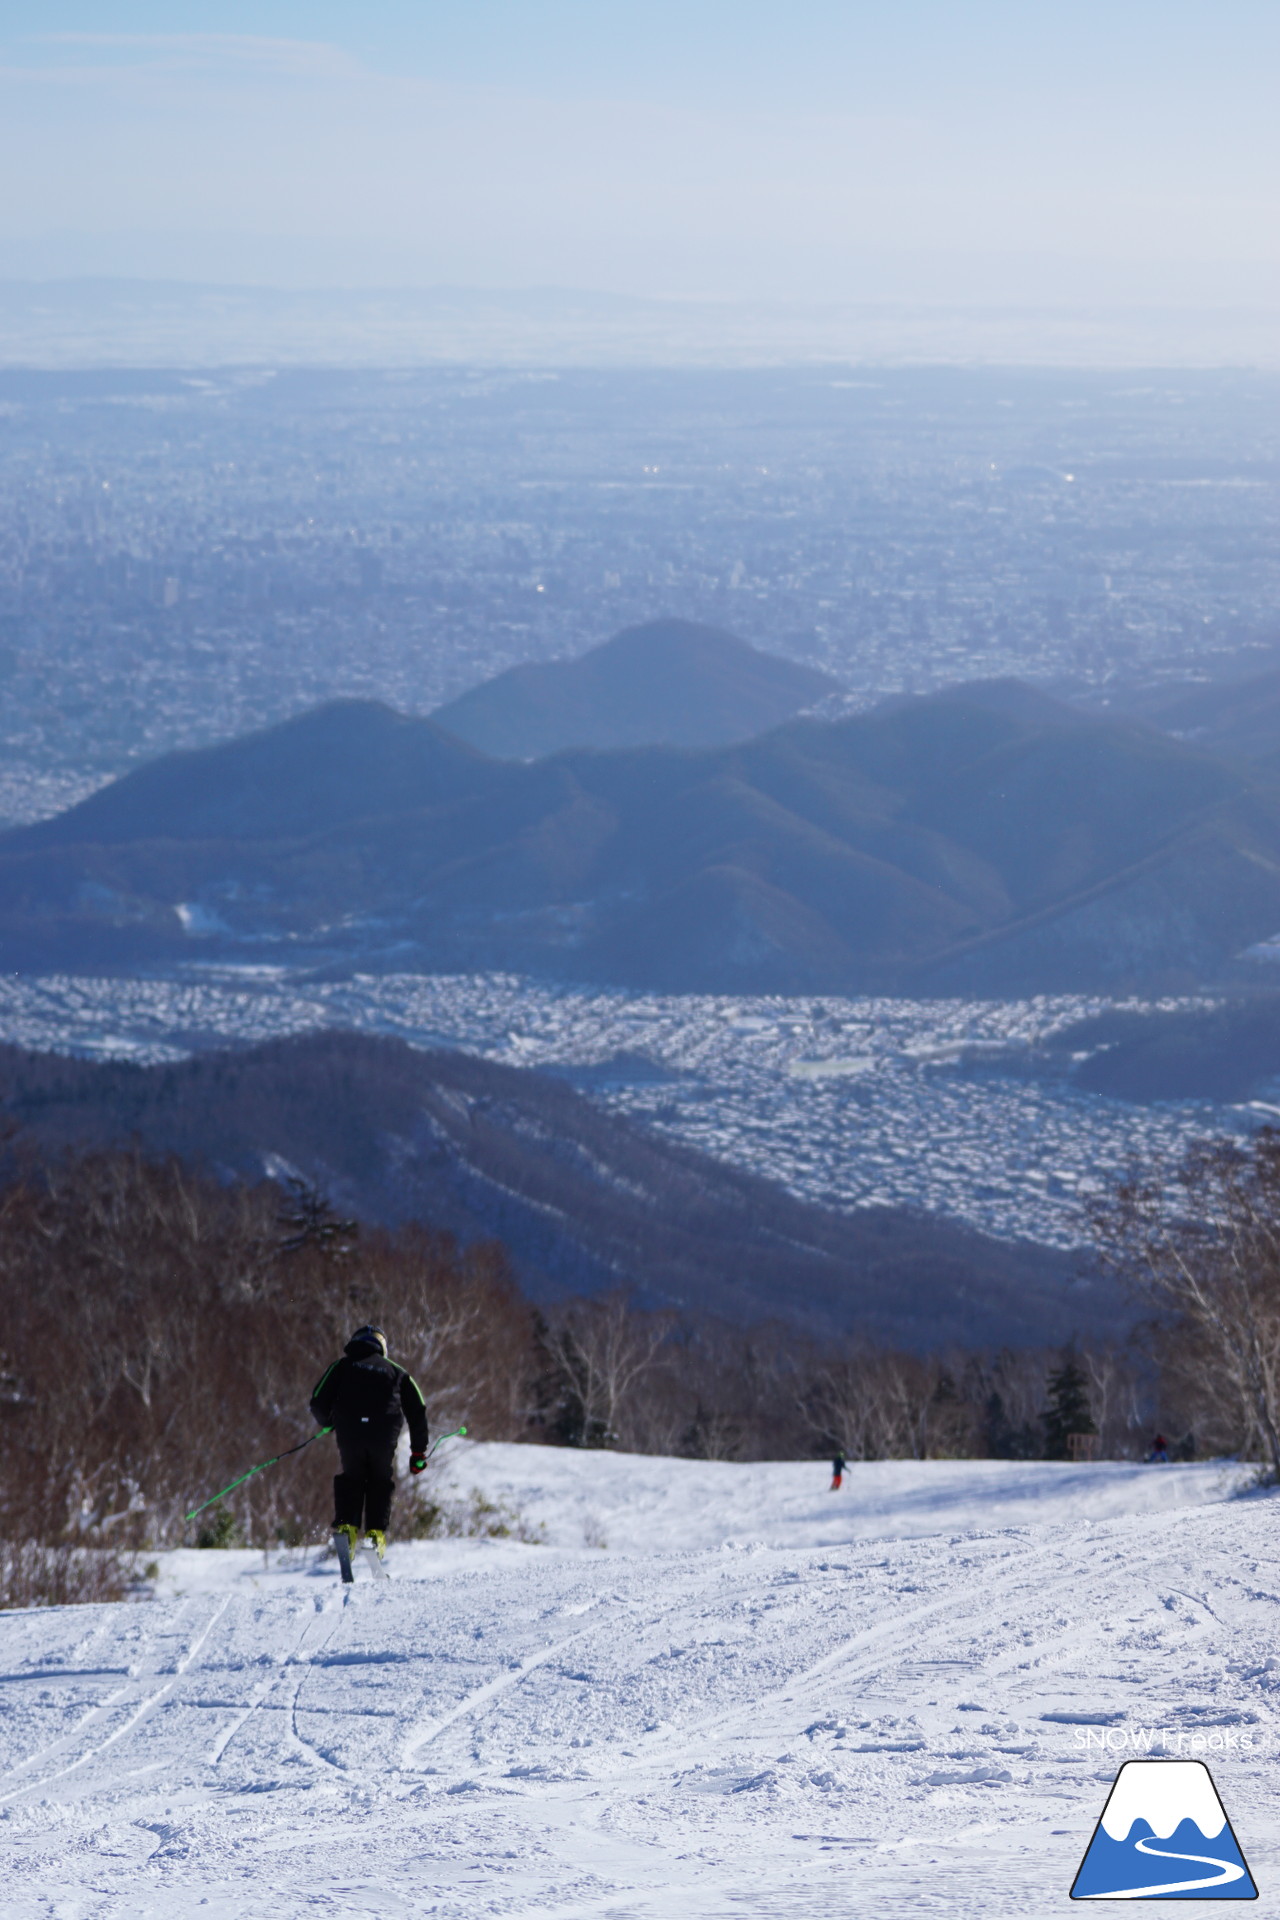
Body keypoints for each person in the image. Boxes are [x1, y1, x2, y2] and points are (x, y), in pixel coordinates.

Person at [310, 1325, 429, 1557]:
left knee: (352, 1477)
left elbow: (317, 1401)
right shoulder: (397, 1372)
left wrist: (328, 1423)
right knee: (380, 1480)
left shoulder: (341, 1366)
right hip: (383, 1435)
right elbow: (418, 1411)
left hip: (350, 1432)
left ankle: (347, 1530)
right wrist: (418, 1454)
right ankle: (375, 1535)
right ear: (382, 1346)